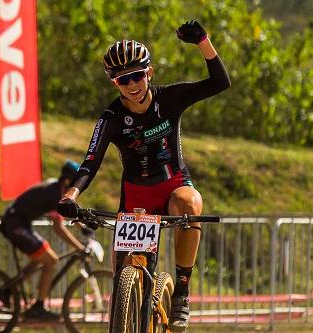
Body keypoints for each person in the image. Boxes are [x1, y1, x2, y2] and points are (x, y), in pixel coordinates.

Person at [57, 20, 231, 332]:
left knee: (190, 203)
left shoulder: (170, 99)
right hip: (136, 196)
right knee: (124, 281)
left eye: (138, 75)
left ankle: (181, 291)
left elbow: (220, 83)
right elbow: (89, 163)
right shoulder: (110, 118)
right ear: (114, 83)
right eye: (124, 80)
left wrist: (203, 41)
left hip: (173, 185)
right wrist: (71, 196)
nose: (133, 84)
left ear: (149, 72)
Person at [0, 160, 87, 321]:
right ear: (67, 181)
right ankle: (38, 306)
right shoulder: (54, 194)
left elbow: (69, 212)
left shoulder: (56, 189)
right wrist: (80, 247)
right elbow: (59, 228)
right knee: (51, 260)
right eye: (75, 184)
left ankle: (7, 291)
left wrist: (82, 228)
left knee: (40, 260)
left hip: (18, 223)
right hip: (15, 224)